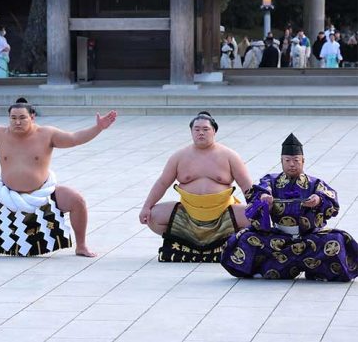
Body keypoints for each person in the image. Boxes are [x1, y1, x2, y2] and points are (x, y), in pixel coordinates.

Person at [0, 98, 117, 257]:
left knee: (77, 201)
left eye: (22, 118)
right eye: (13, 118)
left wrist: (98, 128)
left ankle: (81, 245)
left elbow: (75, 138)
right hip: (6, 194)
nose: (17, 122)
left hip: (43, 194)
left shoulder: (47, 134)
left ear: (32, 117)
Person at [221, 134, 358, 281]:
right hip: (279, 240)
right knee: (246, 238)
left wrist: (318, 200)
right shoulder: (271, 181)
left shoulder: (315, 183)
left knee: (337, 240)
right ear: (281, 161)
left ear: (303, 161)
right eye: (287, 160)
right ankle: (264, 268)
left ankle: (318, 270)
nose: (292, 164)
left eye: (296, 160)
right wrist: (264, 199)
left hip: (309, 239)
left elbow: (331, 199)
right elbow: (258, 193)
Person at [139, 111, 253, 262]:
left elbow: (246, 184)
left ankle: (227, 242)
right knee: (153, 216)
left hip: (223, 212)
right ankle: (188, 242)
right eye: (197, 129)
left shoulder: (230, 156)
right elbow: (162, 183)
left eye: (205, 129)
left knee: (254, 219)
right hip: (188, 212)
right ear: (191, 132)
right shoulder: (179, 156)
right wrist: (146, 206)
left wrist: (255, 207)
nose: (201, 133)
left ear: (214, 131)